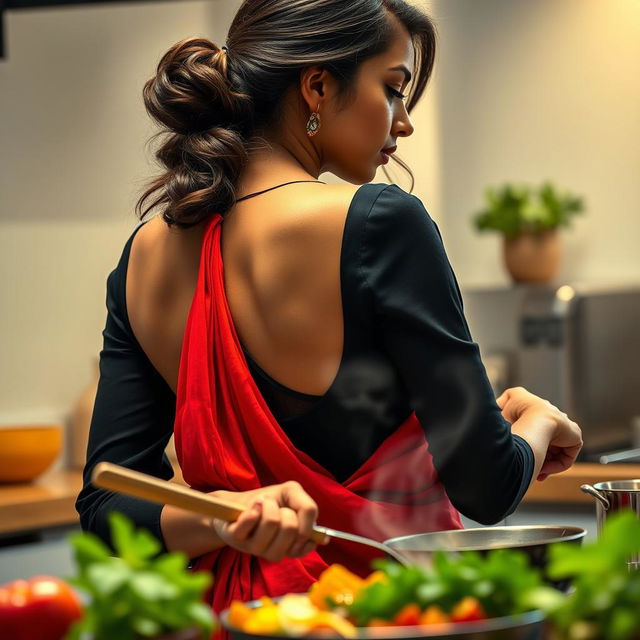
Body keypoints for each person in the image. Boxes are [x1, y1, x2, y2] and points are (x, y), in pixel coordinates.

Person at [76, 0, 583, 623]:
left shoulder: (146, 255)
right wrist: (538, 421)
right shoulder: (381, 223)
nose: (404, 124)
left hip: (240, 623)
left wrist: (234, 520)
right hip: (388, 618)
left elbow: (104, 512)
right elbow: (490, 485)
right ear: (316, 86)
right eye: (393, 89)